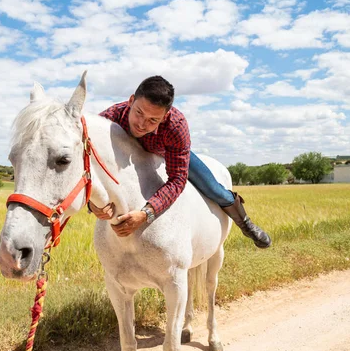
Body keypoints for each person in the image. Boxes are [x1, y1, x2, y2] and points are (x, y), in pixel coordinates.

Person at [89, 76, 271, 248]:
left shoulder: (176, 126)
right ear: (130, 101)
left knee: (214, 189)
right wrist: (92, 204)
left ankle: (246, 224)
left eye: (153, 120)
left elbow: (177, 181)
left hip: (166, 153)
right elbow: (86, 164)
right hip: (131, 159)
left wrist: (146, 214)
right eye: (139, 113)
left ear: (166, 116)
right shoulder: (107, 119)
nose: (142, 124)